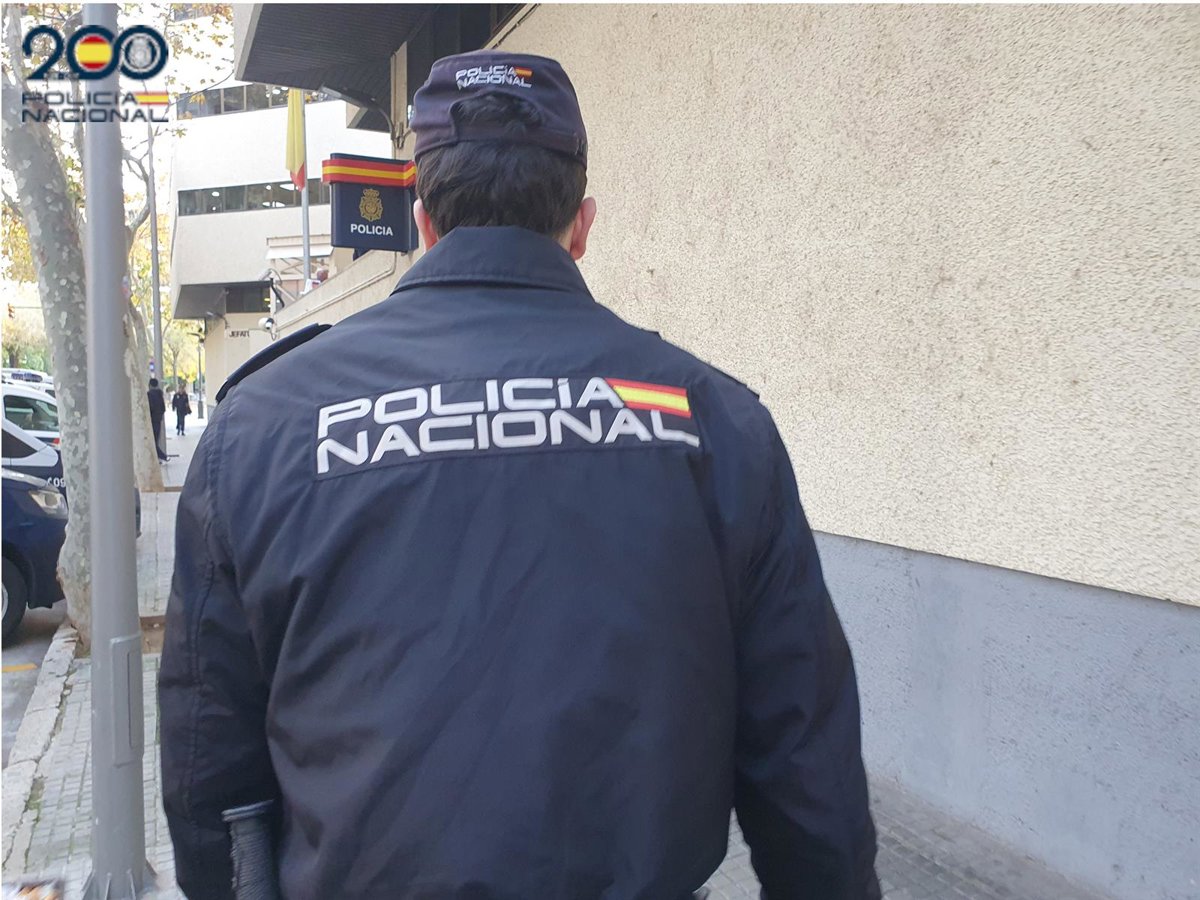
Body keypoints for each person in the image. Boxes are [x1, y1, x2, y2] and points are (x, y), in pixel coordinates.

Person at [160, 50, 879, 900]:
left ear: (423, 221)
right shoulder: (713, 422)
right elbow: (806, 764)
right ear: (582, 224)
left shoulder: (263, 428)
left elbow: (210, 760)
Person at [146, 377, 167, 461]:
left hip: (152, 421)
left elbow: (150, 408)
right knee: (156, 440)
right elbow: (163, 408)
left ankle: (162, 456)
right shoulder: (159, 395)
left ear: (150, 385)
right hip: (158, 420)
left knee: (153, 441)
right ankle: (160, 456)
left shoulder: (149, 395)